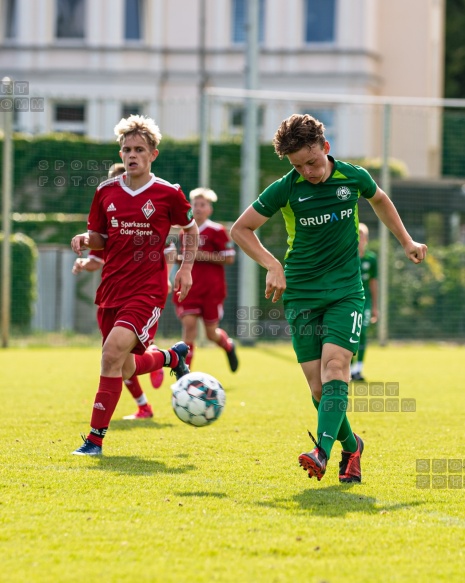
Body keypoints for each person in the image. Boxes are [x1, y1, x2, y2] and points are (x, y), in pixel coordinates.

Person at [230, 113, 427, 483]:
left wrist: (406, 241)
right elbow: (240, 230)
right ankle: (352, 447)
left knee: (336, 369)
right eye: (298, 166)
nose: (308, 171)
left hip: (345, 292)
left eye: (313, 162)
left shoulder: (353, 177)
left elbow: (380, 200)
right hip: (301, 295)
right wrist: (272, 264)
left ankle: (321, 451)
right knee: (319, 390)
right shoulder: (286, 188)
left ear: (326, 147)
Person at [70, 114, 199, 456]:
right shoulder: (105, 192)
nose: (132, 155)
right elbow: (101, 237)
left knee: (111, 355)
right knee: (124, 365)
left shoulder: (168, 193)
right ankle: (172, 356)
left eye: (139, 149)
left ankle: (94, 440)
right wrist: (87, 238)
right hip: (111, 287)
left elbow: (191, 230)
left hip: (148, 289)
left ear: (153, 154)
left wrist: (185, 270)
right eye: (127, 149)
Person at [71, 163, 169, 420]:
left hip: (143, 294)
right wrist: (84, 260)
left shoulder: (153, 207)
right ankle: (165, 358)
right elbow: (96, 256)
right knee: (123, 366)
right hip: (111, 295)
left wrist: (172, 273)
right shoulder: (107, 211)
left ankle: (113, 426)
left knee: (113, 355)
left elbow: (168, 247)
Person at [172, 187, 238, 372]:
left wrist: (203, 256)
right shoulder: (184, 231)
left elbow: (229, 258)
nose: (199, 208)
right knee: (189, 327)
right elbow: (185, 257)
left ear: (210, 209)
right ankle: (185, 374)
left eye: (203, 205)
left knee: (211, 334)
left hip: (212, 289)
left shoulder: (217, 230)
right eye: (195, 204)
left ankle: (228, 346)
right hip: (189, 288)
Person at [350, 223, 378, 381]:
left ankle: (358, 369)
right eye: (357, 236)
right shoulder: (348, 256)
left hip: (365, 302)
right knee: (350, 333)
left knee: (362, 332)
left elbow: (374, 282)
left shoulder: (371, 258)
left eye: (362, 236)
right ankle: (348, 368)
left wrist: (375, 306)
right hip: (350, 300)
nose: (359, 239)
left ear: (366, 239)